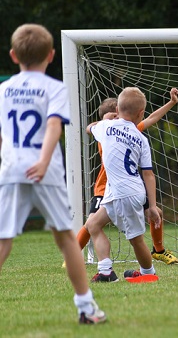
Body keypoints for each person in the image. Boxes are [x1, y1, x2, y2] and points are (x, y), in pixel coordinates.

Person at [0, 24, 106, 323]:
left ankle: (88, 307)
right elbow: (52, 126)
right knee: (66, 239)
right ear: (51, 55)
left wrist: (6, 160)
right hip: (44, 172)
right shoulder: (55, 88)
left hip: (11, 168)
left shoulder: (4, 89)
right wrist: (44, 161)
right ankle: (86, 308)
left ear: (12, 55)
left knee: (3, 240)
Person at [68, 88, 178, 266]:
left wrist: (171, 103)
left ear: (120, 112)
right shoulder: (114, 130)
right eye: (110, 116)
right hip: (106, 187)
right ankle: (75, 257)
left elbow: (90, 128)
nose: (114, 119)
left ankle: (157, 252)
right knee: (92, 223)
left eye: (116, 115)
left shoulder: (112, 129)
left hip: (125, 187)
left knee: (144, 224)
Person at [85, 87, 161, 281]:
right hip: (128, 191)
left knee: (136, 239)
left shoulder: (106, 127)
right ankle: (106, 272)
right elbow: (148, 174)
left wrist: (106, 119)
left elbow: (89, 128)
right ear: (141, 113)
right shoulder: (141, 138)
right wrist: (151, 205)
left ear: (117, 108)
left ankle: (148, 274)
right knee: (93, 224)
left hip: (122, 192)